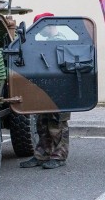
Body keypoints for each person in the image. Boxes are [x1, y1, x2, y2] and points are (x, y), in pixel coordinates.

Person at [19, 12, 71, 170]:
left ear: (49, 25)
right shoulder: (44, 42)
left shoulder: (62, 42)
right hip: (45, 89)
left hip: (59, 89)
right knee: (42, 123)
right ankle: (42, 154)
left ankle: (59, 156)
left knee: (57, 124)